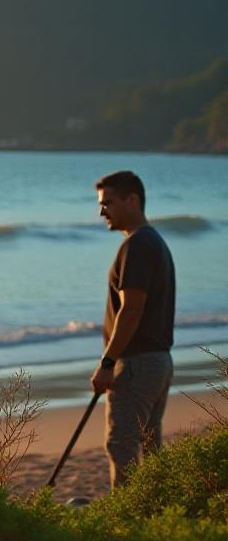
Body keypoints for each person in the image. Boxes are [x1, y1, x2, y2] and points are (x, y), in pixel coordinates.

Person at [91, 170, 175, 487]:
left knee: (123, 444)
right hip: (158, 360)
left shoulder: (137, 245)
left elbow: (132, 308)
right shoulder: (153, 241)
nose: (102, 212)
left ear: (132, 200)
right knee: (149, 444)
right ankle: (154, 516)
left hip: (139, 363)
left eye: (107, 203)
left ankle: (129, 522)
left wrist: (108, 362)